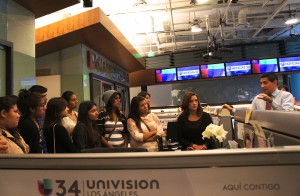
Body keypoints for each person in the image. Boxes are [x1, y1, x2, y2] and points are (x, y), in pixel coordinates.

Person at [222, 73, 294, 112]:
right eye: (261, 83)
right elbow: (249, 114)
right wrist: (232, 110)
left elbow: (287, 115)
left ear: (275, 82)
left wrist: (271, 101)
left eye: (265, 83)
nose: (262, 86)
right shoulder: (258, 98)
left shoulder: (286, 96)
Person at [28, 84, 48, 152]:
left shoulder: (42, 112)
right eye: (43, 96)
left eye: (46, 96)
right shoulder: (27, 122)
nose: (45, 99)